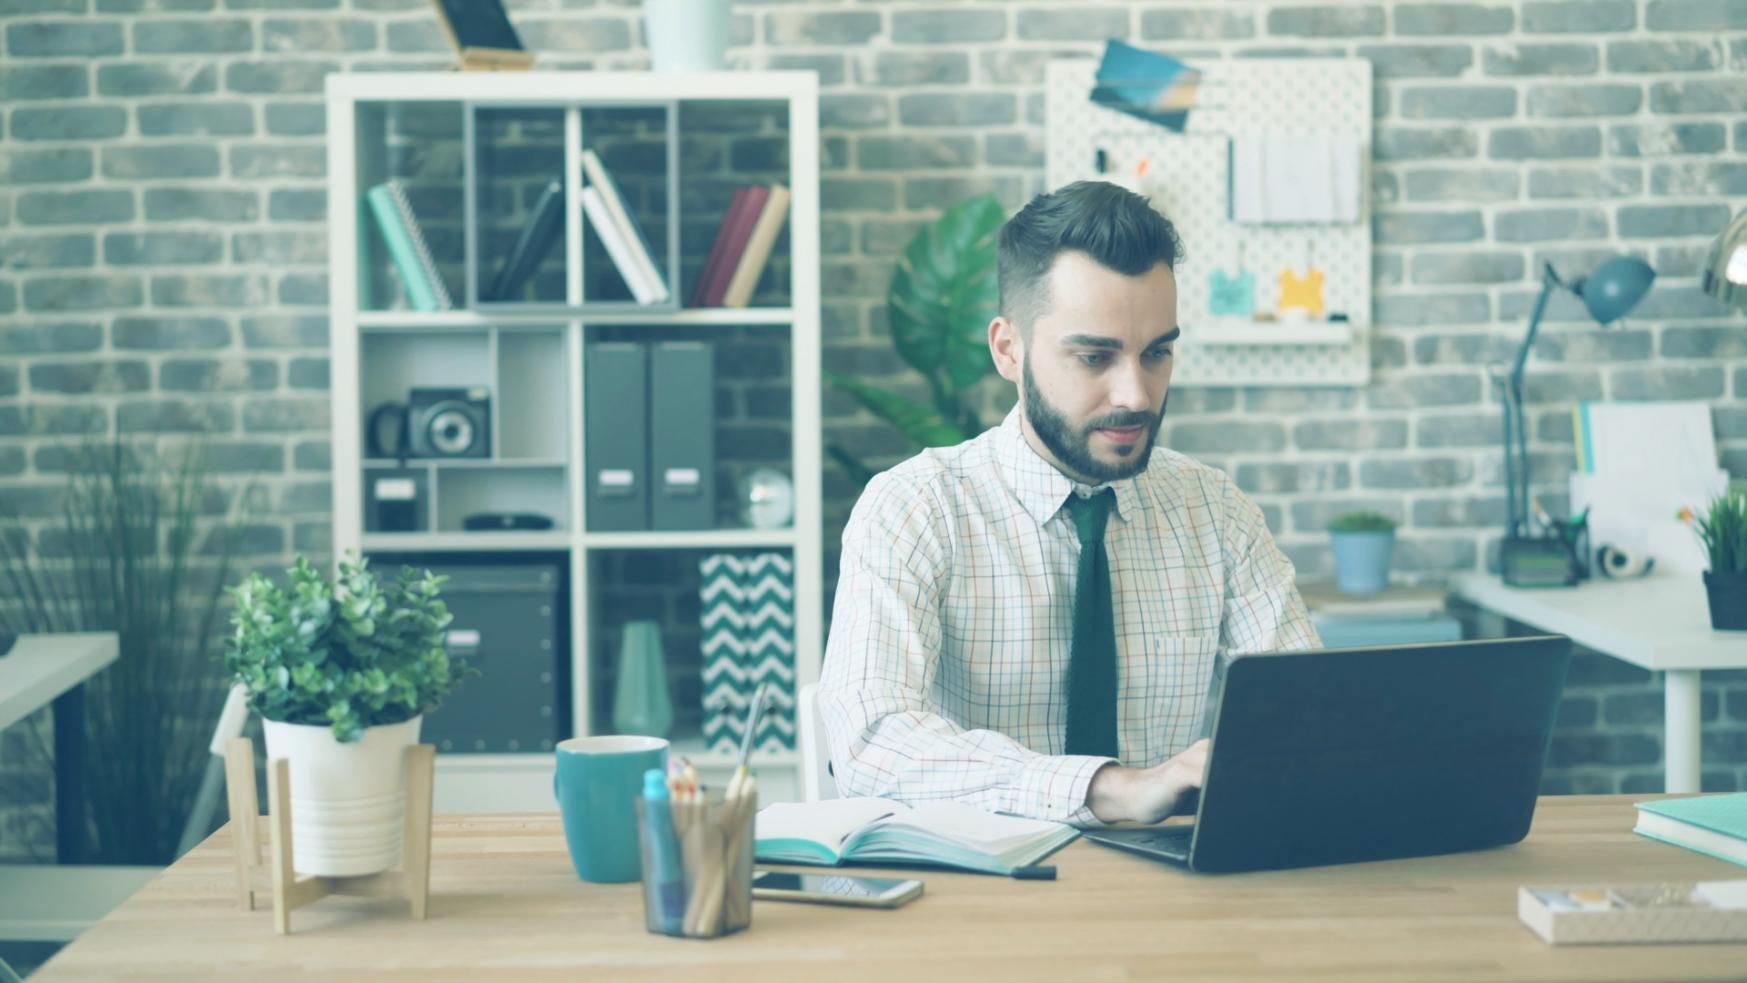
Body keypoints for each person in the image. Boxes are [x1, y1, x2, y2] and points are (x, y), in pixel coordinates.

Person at [817, 181, 1320, 827]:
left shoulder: (1215, 512)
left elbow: (1308, 718)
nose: (1135, 394)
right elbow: (872, 742)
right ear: (1007, 349)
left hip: (1177, 898)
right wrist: (1109, 788)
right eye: (1093, 356)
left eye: (1156, 353)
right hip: (980, 898)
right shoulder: (916, 507)